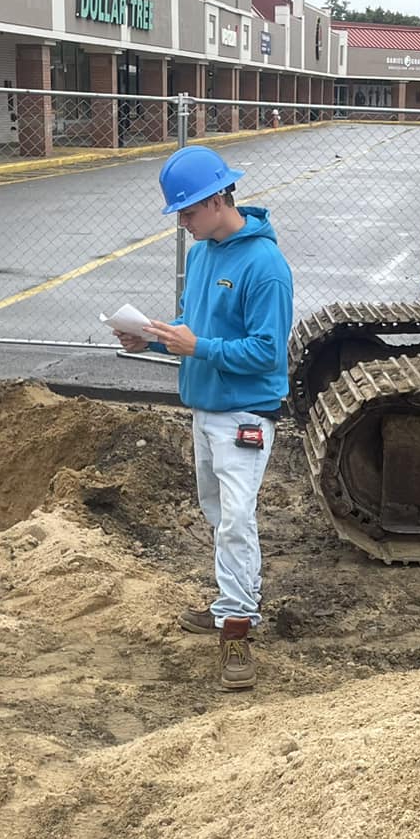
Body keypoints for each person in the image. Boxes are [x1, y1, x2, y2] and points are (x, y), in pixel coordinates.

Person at [118, 145, 293, 691]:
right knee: (219, 513)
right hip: (204, 407)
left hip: (243, 413)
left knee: (237, 518)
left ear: (218, 200)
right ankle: (231, 602)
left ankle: (237, 631)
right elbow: (194, 327)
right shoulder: (202, 256)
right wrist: (151, 338)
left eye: (188, 212)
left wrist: (199, 347)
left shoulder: (265, 266)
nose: (183, 223)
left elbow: (267, 351)